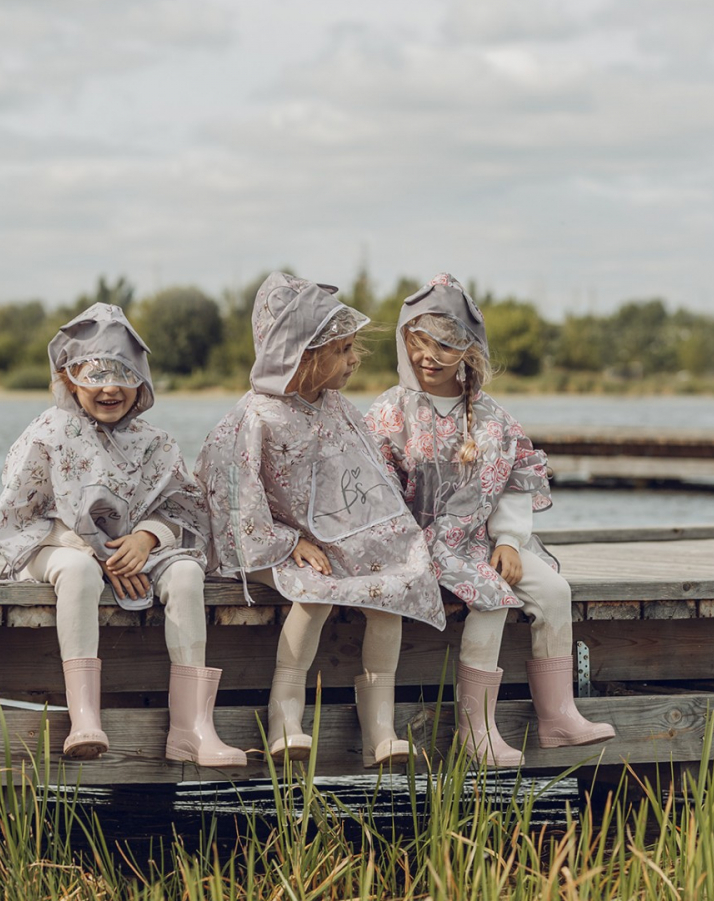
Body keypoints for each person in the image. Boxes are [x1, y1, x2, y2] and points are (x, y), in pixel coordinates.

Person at [195, 272, 445, 768]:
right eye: (343, 350)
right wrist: (288, 543)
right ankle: (285, 715)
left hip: (333, 542)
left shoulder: (339, 409)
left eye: (352, 349)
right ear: (302, 356)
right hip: (269, 547)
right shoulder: (256, 417)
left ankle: (380, 727)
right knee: (313, 596)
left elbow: (368, 477)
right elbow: (234, 499)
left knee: (393, 589)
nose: (355, 360)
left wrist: (382, 534)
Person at [365, 272, 615, 768]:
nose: (427, 357)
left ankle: (558, 715)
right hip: (421, 542)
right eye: (417, 342)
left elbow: (515, 478)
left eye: (443, 345)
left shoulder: (491, 417)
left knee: (554, 591)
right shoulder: (392, 411)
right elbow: (377, 488)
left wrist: (509, 541)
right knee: (491, 594)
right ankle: (475, 730)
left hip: (481, 539)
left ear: (468, 349)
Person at [0, 302, 246, 767]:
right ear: (70, 378)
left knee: (187, 573)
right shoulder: (48, 433)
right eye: (96, 374)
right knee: (78, 572)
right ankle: (85, 717)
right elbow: (19, 513)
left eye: (124, 373)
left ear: (141, 381)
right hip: (55, 545)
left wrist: (146, 538)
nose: (110, 387)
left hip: (135, 552)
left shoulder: (156, 443)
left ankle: (192, 728)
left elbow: (185, 510)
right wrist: (91, 550)